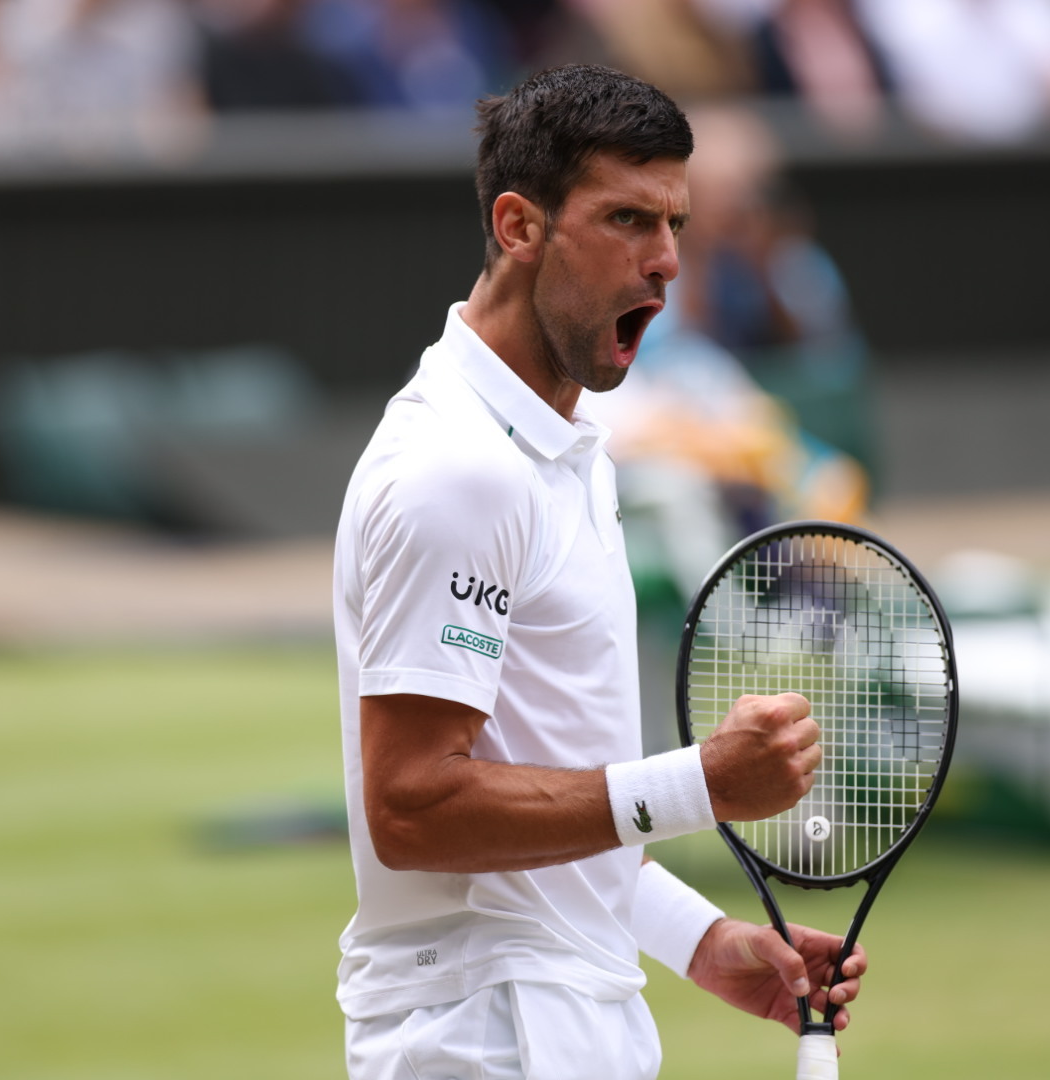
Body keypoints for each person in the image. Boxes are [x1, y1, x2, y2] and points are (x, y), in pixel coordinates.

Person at [332, 64, 866, 1080]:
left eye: (675, 223)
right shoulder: (461, 470)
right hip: (483, 1035)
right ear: (520, 226)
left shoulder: (566, 445)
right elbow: (411, 807)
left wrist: (700, 940)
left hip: (560, 1013)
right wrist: (700, 783)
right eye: (628, 219)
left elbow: (545, 770)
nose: (667, 261)